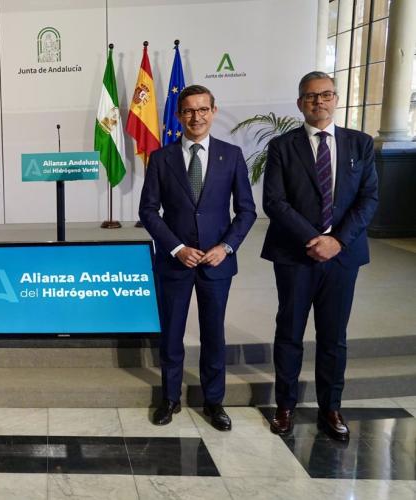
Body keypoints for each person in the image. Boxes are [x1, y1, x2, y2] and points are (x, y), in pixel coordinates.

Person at [262, 71, 378, 440]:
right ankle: (285, 406)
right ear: (300, 103)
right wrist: (314, 239)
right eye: (311, 96)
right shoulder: (282, 146)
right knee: (289, 332)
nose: (319, 102)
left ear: (336, 99)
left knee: (333, 336)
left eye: (326, 95)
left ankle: (331, 407)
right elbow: (274, 202)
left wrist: (337, 241)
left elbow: (368, 199)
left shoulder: (360, 144)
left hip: (342, 257)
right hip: (295, 255)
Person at [139, 85, 256, 430]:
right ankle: (170, 398)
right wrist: (176, 248)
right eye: (189, 111)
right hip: (175, 263)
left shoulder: (231, 155)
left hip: (217, 263)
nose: (196, 117)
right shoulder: (161, 158)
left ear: (213, 112)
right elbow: (148, 211)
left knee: (213, 335)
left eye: (203, 109)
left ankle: (214, 401)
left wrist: (226, 247)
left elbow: (246, 211)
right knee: (172, 335)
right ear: (179, 116)